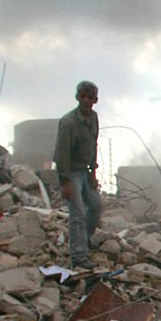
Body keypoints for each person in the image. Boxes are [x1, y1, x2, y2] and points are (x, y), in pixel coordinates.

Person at [54, 80, 102, 269]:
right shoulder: (68, 123)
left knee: (96, 207)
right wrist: (64, 181)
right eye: (83, 96)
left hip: (85, 171)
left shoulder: (94, 118)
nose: (86, 100)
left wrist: (92, 171)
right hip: (71, 172)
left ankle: (85, 240)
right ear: (77, 97)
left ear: (95, 100)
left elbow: (93, 144)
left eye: (90, 97)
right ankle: (79, 256)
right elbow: (61, 154)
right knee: (78, 212)